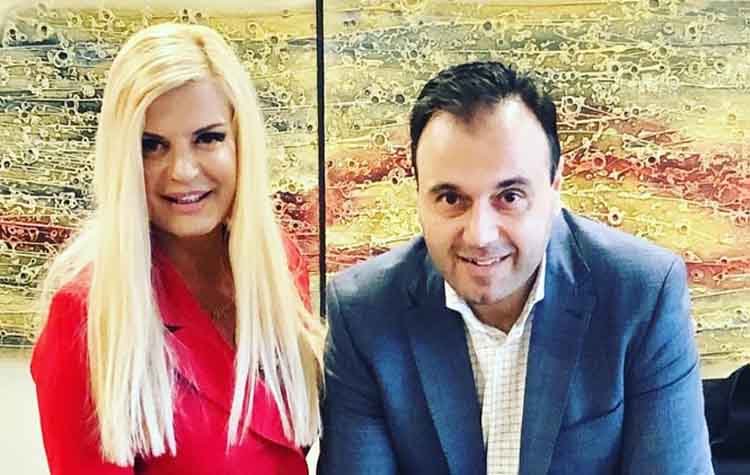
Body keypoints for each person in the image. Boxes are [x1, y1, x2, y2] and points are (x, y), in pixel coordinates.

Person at [318, 61, 713, 474]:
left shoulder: (643, 293)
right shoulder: (363, 312)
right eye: (451, 199)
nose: (480, 235)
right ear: (418, 195)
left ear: (555, 187)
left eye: (509, 196)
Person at [31, 23, 324, 475]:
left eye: (208, 138)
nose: (183, 171)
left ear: (241, 142)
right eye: (152, 146)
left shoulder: (277, 266)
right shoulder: (86, 315)